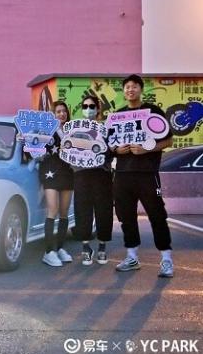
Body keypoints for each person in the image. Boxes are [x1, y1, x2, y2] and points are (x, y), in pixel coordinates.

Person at [112, 74, 174, 278]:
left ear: (141, 89)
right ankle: (132, 257)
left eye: (134, 86)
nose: (130, 90)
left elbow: (168, 141)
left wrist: (147, 149)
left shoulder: (152, 112)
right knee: (126, 217)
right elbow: (110, 144)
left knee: (157, 215)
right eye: (127, 87)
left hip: (147, 174)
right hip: (123, 174)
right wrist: (116, 150)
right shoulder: (118, 116)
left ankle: (166, 259)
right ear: (124, 91)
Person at [72, 95, 113, 266]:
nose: (88, 109)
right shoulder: (75, 128)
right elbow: (69, 151)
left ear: (98, 109)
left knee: (104, 210)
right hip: (81, 175)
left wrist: (105, 155)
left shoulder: (106, 128)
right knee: (82, 211)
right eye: (85, 106)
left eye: (92, 106)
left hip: (102, 174)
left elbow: (112, 151)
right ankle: (86, 247)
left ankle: (102, 246)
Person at [40, 100, 75, 267]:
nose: (62, 114)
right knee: (52, 210)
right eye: (58, 111)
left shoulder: (72, 131)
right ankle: (49, 252)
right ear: (53, 115)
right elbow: (35, 149)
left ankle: (60, 248)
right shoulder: (46, 131)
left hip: (68, 173)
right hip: (50, 174)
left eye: (64, 111)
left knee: (64, 212)